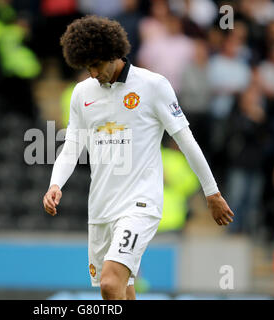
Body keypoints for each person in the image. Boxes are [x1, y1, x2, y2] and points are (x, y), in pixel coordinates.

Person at [42, 15, 234, 300]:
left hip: (140, 203)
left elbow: (186, 139)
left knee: (109, 283)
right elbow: (72, 144)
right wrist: (55, 183)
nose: (93, 73)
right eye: (87, 66)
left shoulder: (153, 85)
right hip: (101, 207)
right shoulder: (82, 93)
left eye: (96, 64)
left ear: (114, 53)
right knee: (123, 288)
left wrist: (212, 192)